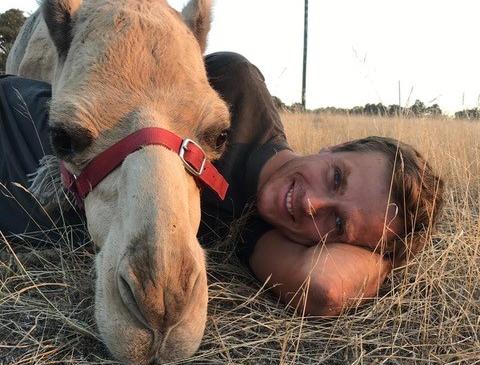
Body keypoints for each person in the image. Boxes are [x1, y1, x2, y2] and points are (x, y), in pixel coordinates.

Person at [0, 52, 444, 316]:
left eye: (338, 225)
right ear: (334, 146)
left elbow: (323, 288)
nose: (311, 203)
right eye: (336, 178)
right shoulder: (237, 89)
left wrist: (384, 261)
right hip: (18, 127)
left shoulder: (260, 233)